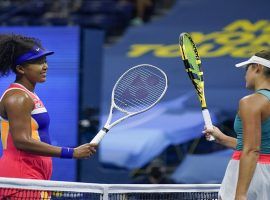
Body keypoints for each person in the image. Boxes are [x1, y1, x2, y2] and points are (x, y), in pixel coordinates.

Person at [0, 34, 97, 181]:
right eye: (38, 62)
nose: (45, 66)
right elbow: (22, 141)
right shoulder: (18, 98)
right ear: (20, 69)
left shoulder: (29, 95)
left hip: (34, 175)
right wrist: (71, 152)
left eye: (45, 61)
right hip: (21, 176)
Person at [203, 50, 270, 200]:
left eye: (247, 69)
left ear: (257, 67)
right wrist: (223, 138)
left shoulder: (250, 102)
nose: (245, 75)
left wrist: (240, 195)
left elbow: (252, 150)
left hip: (253, 177)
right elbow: (262, 144)